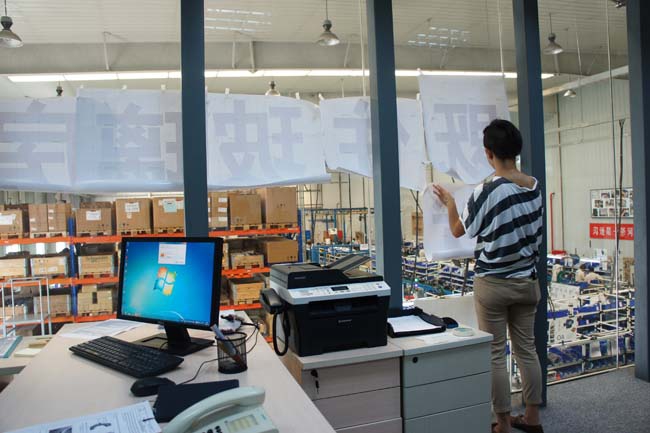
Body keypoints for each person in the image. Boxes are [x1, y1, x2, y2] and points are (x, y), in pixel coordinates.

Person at [432, 119, 544, 433]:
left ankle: (504, 424)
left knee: (496, 353)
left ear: (487, 153)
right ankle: (533, 418)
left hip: (493, 283)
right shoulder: (534, 186)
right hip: (527, 282)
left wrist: (451, 203)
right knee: (527, 349)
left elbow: (458, 231)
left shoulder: (488, 188)